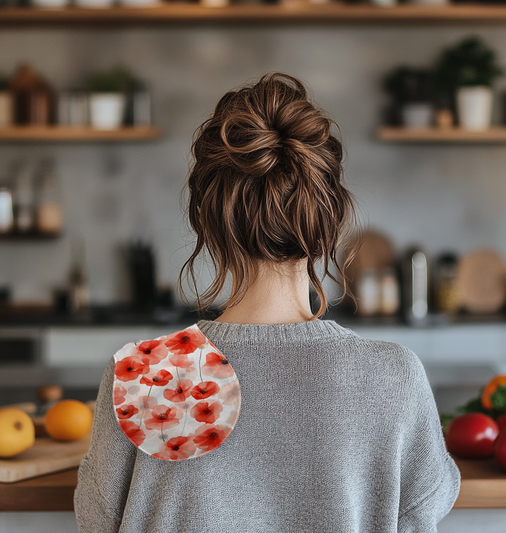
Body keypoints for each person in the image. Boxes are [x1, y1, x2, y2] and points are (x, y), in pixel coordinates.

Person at [74, 72, 460, 532]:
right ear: (330, 218)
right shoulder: (393, 376)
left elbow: (98, 521)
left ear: (207, 222)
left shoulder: (145, 374)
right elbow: (421, 512)